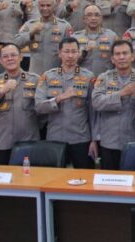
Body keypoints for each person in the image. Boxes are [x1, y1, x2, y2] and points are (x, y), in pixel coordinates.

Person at [35, 37, 96, 169]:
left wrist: (94, 140)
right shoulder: (48, 76)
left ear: (79, 53)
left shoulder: (89, 77)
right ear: (59, 53)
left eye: (74, 51)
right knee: (53, 180)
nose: (70, 56)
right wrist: (59, 98)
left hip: (81, 138)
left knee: (85, 179)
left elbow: (93, 112)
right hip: (55, 137)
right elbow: (39, 107)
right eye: (66, 51)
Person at [90, 40, 135, 170]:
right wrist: (121, 93)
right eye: (117, 54)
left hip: (134, 138)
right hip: (110, 141)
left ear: (132, 56)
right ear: (112, 59)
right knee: (109, 183)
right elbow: (96, 102)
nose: (121, 57)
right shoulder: (104, 78)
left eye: (125, 53)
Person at [0, 43, 40, 165]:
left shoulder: (35, 80)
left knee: (28, 178)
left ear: (21, 57)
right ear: (0, 60)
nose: (10, 58)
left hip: (28, 139)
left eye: (13, 55)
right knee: (2, 179)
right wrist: (2, 91)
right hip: (1, 141)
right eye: (5, 56)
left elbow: (42, 111)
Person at [14, 0, 73, 75]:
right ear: (38, 6)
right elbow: (16, 44)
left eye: (48, 5)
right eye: (42, 5)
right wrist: (31, 32)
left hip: (57, 75)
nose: (45, 8)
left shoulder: (64, 26)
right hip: (35, 74)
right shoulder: (30, 24)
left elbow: (71, 51)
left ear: (54, 6)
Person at [73, 5, 118, 77]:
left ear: (101, 18)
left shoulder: (112, 36)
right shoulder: (75, 37)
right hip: (81, 81)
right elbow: (69, 62)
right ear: (83, 18)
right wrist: (83, 53)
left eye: (97, 15)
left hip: (105, 81)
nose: (93, 18)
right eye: (89, 15)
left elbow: (118, 61)